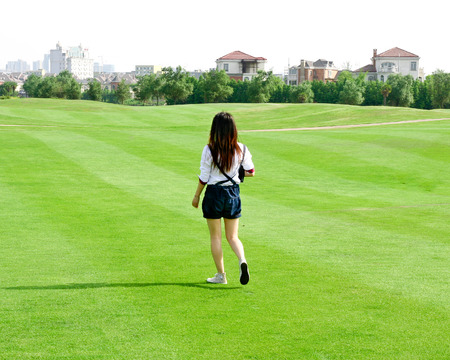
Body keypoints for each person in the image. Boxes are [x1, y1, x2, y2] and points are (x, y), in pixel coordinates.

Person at [192, 112, 255, 285]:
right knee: (233, 236)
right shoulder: (242, 148)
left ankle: (221, 275)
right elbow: (251, 172)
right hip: (233, 193)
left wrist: (197, 196)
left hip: (214, 194)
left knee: (216, 237)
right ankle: (242, 260)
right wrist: (236, 174)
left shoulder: (209, 149)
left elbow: (204, 177)